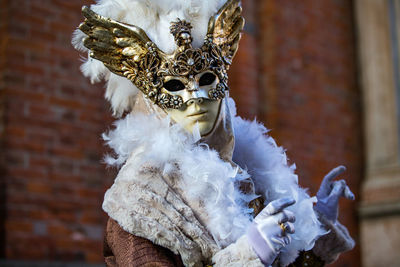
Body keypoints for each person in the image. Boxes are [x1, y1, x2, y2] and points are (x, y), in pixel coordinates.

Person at [72, 0, 355, 266]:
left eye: (207, 79)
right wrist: (248, 256)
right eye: (174, 84)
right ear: (152, 99)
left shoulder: (247, 171)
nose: (195, 96)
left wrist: (314, 227)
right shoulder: (140, 202)